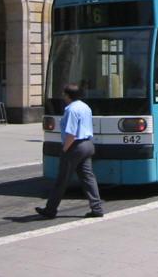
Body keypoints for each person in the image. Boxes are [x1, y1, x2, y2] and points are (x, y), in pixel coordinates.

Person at [36, 83, 104, 219]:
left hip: (75, 146)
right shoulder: (85, 107)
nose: (63, 96)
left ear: (68, 95)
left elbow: (71, 134)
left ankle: (50, 210)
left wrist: (65, 149)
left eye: (64, 94)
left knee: (61, 179)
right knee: (88, 178)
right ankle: (97, 208)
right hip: (88, 145)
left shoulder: (71, 110)